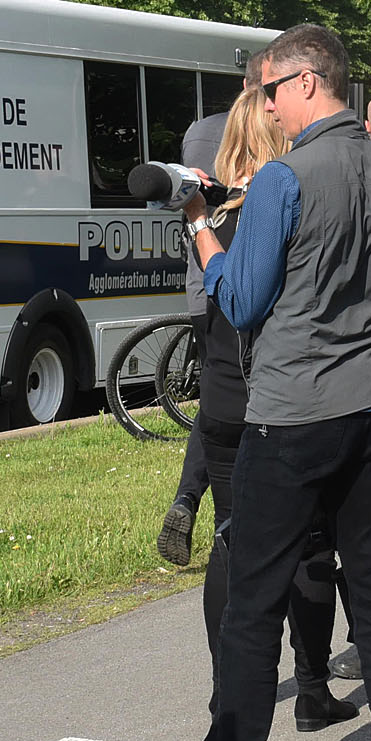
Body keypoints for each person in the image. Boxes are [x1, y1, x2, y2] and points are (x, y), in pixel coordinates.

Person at [162, 24, 371, 741]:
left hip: (292, 413)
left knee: (254, 597)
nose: (266, 107)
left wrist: (199, 227)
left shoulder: (282, 181)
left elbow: (240, 301)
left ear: (308, 82)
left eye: (270, 91)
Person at [187, 84, 357, 736]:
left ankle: (223, 694)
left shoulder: (211, 213)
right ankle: (311, 686)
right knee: (310, 546)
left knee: (231, 544)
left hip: (222, 397)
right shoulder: (289, 197)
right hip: (282, 398)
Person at [154, 63, 258, 567]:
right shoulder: (276, 140)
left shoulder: (201, 132)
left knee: (218, 400)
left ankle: (192, 501)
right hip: (246, 297)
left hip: (204, 289)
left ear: (244, 83)